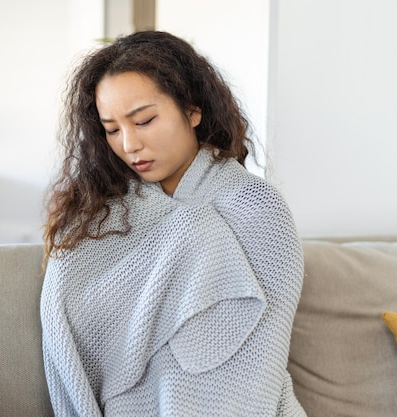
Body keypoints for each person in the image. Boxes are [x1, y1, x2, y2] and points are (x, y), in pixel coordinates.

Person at [40, 31, 306, 416]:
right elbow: (68, 327)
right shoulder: (97, 218)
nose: (129, 144)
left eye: (144, 120)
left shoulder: (257, 208)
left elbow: (262, 353)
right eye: (112, 129)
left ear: (192, 110)